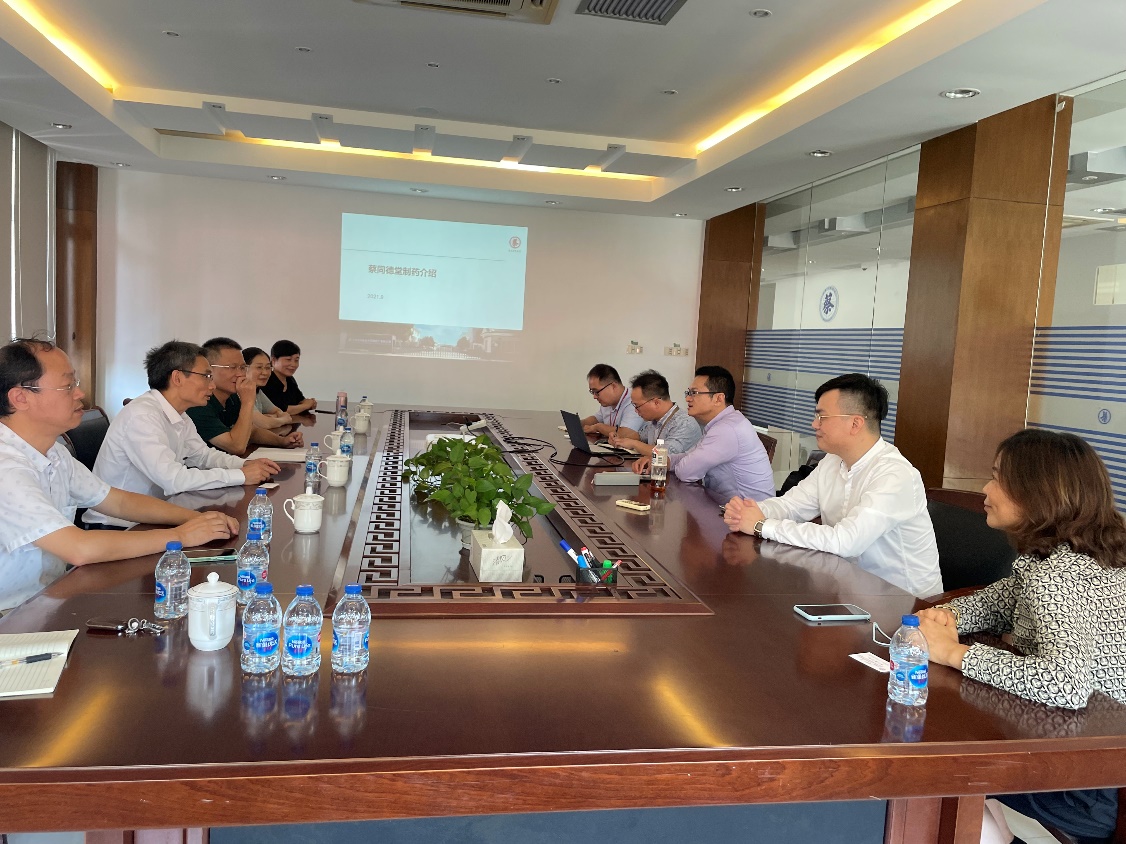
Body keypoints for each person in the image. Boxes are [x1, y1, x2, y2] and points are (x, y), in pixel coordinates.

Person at [918, 429, 1126, 844]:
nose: (985, 489)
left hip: (1085, 784)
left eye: (998, 478)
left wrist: (954, 653)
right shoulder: (1074, 556)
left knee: (936, 772)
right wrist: (945, 616)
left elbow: (1065, 684)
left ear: (1038, 493)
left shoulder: (1057, 577)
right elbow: (996, 603)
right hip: (1094, 758)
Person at [0, 339, 238, 613]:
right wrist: (181, 535)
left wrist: (195, 519)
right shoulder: (7, 467)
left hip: (48, 598)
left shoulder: (53, 452)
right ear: (20, 398)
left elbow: (117, 501)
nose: (80, 393)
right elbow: (78, 549)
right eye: (68, 386)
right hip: (11, 617)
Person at [724, 373, 941, 598]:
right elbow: (791, 505)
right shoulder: (832, 461)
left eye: (822, 417)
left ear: (855, 423)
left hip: (906, 604)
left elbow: (845, 541)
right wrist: (749, 512)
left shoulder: (895, 475)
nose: (814, 424)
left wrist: (761, 525)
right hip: (847, 589)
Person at [84, 341, 281, 528]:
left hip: (155, 515)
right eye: (206, 376)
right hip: (118, 526)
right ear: (177, 378)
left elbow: (203, 456)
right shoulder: (142, 416)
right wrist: (241, 476)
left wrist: (244, 465)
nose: (212, 385)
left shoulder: (179, 414)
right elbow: (174, 480)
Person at [635, 365, 773, 502]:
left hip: (748, 511)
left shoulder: (727, 429)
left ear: (718, 398)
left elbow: (686, 471)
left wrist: (669, 463)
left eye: (694, 393)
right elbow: (689, 456)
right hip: (725, 504)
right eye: (688, 393)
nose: (688, 399)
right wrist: (663, 461)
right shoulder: (722, 423)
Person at [186, 337, 303, 455]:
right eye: (232, 367)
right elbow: (236, 447)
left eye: (242, 368)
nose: (240, 374)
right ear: (209, 369)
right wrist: (247, 401)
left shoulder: (232, 398)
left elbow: (253, 431)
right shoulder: (198, 403)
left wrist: (282, 441)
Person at [608, 369, 701, 460]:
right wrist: (618, 438)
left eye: (637, 406)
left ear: (656, 403)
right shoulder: (654, 421)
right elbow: (639, 436)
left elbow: (666, 454)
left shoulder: (684, 423)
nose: (636, 411)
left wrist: (634, 444)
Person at [580, 364, 642, 439]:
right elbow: (596, 418)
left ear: (613, 386)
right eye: (592, 392)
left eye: (597, 392)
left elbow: (627, 433)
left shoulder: (634, 401)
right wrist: (579, 423)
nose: (594, 397)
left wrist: (598, 427)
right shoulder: (607, 402)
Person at [243, 346, 293, 430]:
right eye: (259, 367)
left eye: (268, 368)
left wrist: (268, 418)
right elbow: (265, 424)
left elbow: (279, 412)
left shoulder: (257, 390)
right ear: (244, 368)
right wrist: (281, 420)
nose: (265, 373)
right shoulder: (239, 393)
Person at [262, 339, 316, 415]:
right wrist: (306, 406)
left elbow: (300, 401)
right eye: (288, 359)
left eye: (296, 360)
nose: (293, 364)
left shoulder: (290, 379)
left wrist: (310, 403)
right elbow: (280, 410)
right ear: (273, 360)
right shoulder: (267, 381)